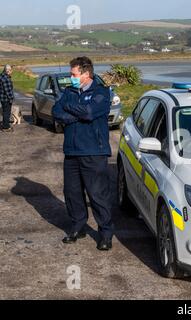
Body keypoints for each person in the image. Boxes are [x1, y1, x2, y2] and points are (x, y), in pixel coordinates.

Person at [52, 56, 114, 251]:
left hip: (94, 152)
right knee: (72, 193)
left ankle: (105, 233)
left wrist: (69, 109)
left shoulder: (101, 92)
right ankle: (78, 226)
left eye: (73, 74)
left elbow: (88, 112)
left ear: (86, 74)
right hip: (71, 152)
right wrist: (76, 113)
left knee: (97, 194)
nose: (71, 78)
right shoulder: (69, 91)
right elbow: (56, 111)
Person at [0, 65, 14, 132]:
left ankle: (5, 125)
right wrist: (11, 98)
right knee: (7, 113)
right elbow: (8, 91)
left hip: (2, 98)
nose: (12, 72)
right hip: (6, 99)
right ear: (8, 70)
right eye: (11, 70)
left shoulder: (2, 76)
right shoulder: (6, 78)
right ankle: (6, 127)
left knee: (5, 112)